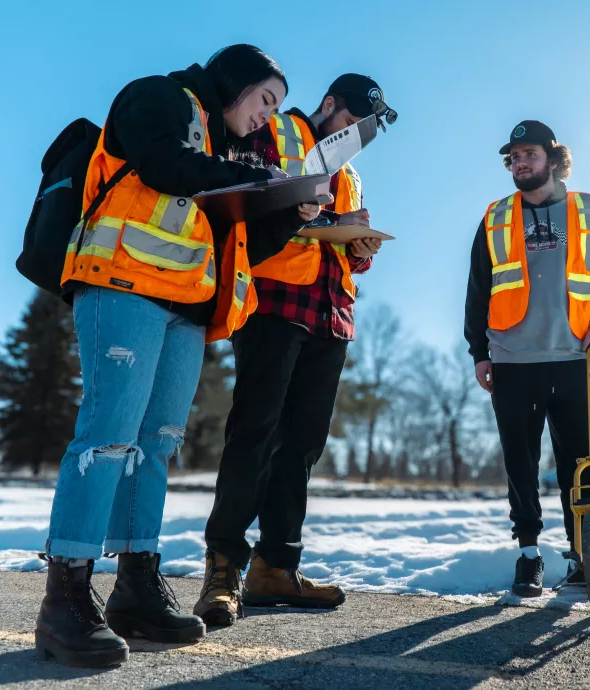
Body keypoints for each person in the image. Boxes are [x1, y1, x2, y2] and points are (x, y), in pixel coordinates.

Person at [37, 44, 317, 668]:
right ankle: (65, 599)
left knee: (156, 445)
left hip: (186, 307)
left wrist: (289, 214)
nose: (267, 120)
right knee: (107, 435)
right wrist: (258, 178)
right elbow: (164, 166)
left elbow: (235, 242)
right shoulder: (158, 96)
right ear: (236, 82)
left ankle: (136, 587)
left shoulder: (223, 153)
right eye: (266, 101)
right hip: (122, 288)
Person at [195, 74, 395, 624]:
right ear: (330, 105)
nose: (355, 135)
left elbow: (349, 254)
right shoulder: (274, 133)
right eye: (351, 122)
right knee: (255, 433)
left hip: (331, 315)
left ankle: (275, 567)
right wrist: (331, 222)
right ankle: (223, 569)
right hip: (274, 303)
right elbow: (256, 204)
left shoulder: (348, 172)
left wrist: (359, 242)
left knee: (303, 444)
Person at [463, 120, 590, 598]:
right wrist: (480, 352)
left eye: (529, 155)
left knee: (585, 464)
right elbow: (478, 291)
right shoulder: (496, 217)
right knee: (521, 465)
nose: (520, 163)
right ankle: (529, 558)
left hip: (573, 360)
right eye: (513, 157)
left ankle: (588, 560)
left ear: (553, 159)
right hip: (513, 362)